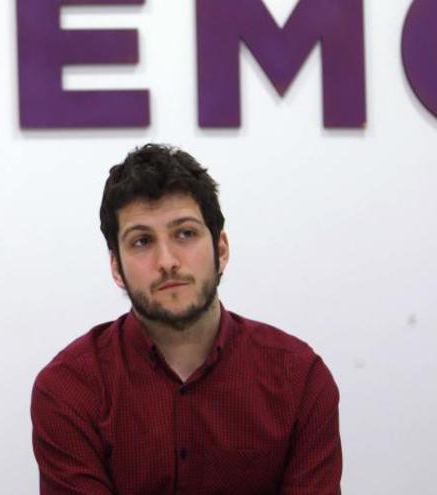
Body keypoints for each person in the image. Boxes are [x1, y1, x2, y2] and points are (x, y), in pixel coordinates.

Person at [30, 144, 341, 494]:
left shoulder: (298, 379)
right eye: (142, 241)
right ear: (116, 267)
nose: (167, 260)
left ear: (220, 250)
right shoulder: (70, 390)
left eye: (185, 233)